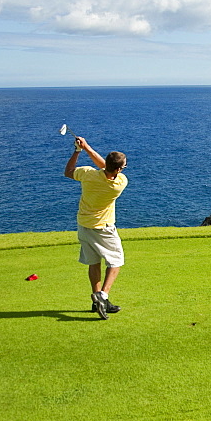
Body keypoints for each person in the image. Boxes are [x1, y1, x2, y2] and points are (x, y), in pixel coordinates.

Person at [63, 137, 128, 319]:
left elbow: (68, 172)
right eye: (123, 167)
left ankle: (97, 303)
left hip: (84, 225)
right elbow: (108, 169)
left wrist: (79, 150)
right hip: (104, 228)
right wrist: (87, 148)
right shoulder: (119, 183)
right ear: (118, 170)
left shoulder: (87, 174)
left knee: (94, 262)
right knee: (116, 262)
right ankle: (102, 295)